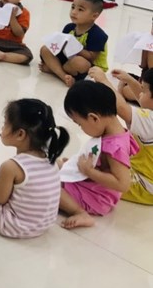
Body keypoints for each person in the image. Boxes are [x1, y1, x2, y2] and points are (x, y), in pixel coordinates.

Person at [0, 99, 69, 238]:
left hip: (14, 226)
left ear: (20, 134)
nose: (2, 128)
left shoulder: (11, 166)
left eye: (5, 124)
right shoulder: (51, 160)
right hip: (43, 226)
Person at [59, 80, 138, 228]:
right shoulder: (113, 132)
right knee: (56, 164)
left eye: (80, 124)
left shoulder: (114, 146)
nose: (81, 128)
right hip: (92, 183)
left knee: (51, 189)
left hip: (96, 197)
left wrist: (89, 171)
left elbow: (122, 184)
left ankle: (80, 213)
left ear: (94, 118)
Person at [90, 67, 153, 205]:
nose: (140, 93)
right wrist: (130, 81)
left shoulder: (150, 120)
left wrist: (103, 80)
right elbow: (146, 101)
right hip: (141, 171)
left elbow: (122, 109)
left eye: (143, 90)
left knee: (92, 178)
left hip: (144, 184)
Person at [39, 0, 109, 86]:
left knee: (79, 62)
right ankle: (64, 76)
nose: (74, 12)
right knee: (45, 49)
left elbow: (91, 57)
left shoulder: (98, 34)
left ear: (94, 16)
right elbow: (61, 48)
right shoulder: (69, 27)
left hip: (88, 67)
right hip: (69, 60)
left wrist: (73, 46)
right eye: (73, 7)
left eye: (80, 9)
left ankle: (55, 69)